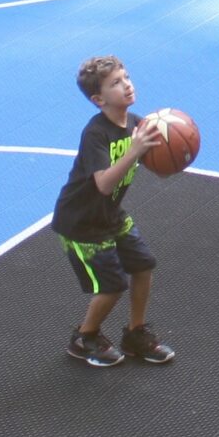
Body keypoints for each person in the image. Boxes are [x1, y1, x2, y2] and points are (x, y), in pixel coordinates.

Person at [52, 55, 177, 367]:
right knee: (111, 287)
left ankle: (135, 333)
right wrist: (134, 150)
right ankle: (85, 337)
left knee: (144, 265)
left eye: (126, 77)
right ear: (98, 99)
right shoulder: (96, 134)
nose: (127, 85)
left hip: (111, 216)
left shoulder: (136, 123)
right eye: (115, 84)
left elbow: (155, 165)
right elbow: (104, 184)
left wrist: (171, 155)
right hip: (82, 223)